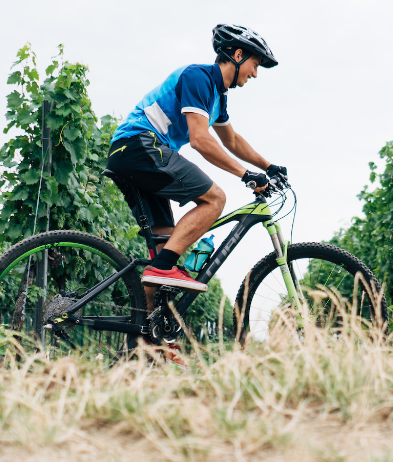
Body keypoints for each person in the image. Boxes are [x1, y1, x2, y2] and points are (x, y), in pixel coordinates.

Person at [106, 23, 287, 313]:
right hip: (138, 145)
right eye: (255, 65)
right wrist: (246, 174)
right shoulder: (198, 77)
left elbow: (232, 140)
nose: (255, 73)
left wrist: (269, 166)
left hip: (135, 154)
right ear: (238, 55)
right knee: (215, 199)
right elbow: (200, 139)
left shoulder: (217, 96)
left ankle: (151, 341)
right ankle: (163, 270)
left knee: (165, 248)